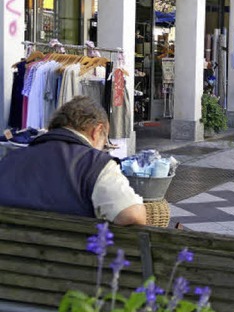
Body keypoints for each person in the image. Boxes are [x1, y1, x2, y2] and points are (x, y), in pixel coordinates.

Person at [0, 96, 147, 225]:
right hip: (73, 255)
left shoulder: (9, 159)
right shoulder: (95, 164)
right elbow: (132, 216)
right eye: (105, 141)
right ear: (96, 131)